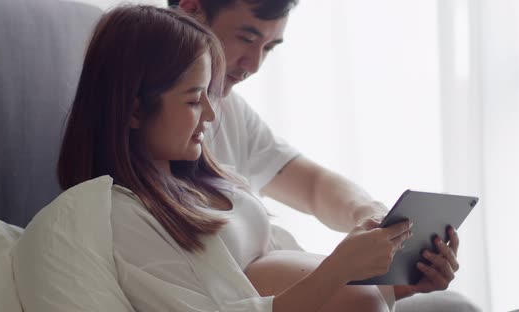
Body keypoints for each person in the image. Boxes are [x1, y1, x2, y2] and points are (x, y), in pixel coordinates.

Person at [57, 5, 458, 311]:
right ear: (133, 110)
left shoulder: (203, 175)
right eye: (197, 99)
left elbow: (315, 186)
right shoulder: (125, 216)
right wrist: (342, 270)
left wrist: (396, 274)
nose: (213, 114)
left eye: (210, 96)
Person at [169, 0, 478, 310]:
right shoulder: (155, 147)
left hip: (316, 290)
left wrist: (374, 219)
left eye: (269, 48)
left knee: (453, 304)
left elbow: (313, 185)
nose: (253, 64)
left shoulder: (229, 109)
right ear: (191, 10)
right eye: (247, 39)